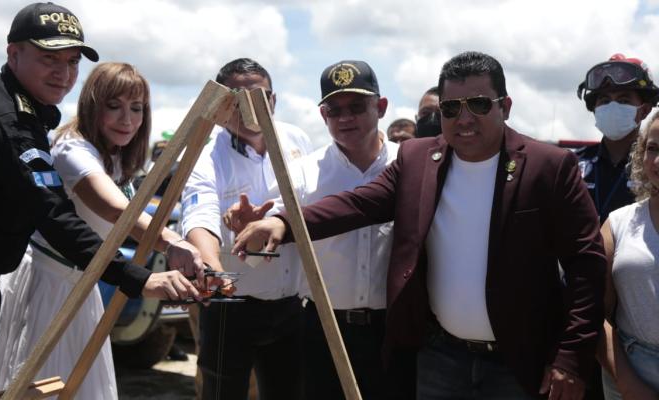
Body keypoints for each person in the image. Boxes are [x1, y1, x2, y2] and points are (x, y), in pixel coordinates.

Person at [234, 51, 605, 400]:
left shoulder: (549, 167)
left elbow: (586, 266)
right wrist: (284, 222)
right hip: (440, 359)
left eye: (478, 104)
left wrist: (571, 357)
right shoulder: (419, 159)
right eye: (451, 108)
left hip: (519, 363)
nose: (464, 119)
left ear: (504, 107)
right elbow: (359, 203)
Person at [0, 3, 201, 399]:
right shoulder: (8, 121)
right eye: (49, 58)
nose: (63, 73)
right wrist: (139, 278)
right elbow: (53, 213)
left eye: (72, 61)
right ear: (13, 54)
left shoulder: (19, 106)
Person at [0, 62, 204, 399]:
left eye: (136, 108)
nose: (127, 119)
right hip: (46, 284)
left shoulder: (117, 155)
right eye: (114, 106)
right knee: (38, 387)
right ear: (92, 106)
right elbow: (116, 209)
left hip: (82, 286)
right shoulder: (72, 148)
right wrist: (171, 241)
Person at [224, 60, 410, 399]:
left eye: (357, 107)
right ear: (323, 115)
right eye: (334, 110)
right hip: (323, 331)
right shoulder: (301, 173)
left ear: (381, 107)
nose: (345, 118)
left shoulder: (410, 166)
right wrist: (250, 230)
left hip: (395, 333)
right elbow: (262, 247)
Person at [181, 57, 312, 399]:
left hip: (291, 303)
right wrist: (214, 271)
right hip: (231, 303)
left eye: (260, 97)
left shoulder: (296, 139)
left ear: (274, 100)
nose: (251, 109)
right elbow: (199, 215)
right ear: (222, 107)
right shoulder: (205, 155)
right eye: (238, 100)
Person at [598, 113, 659, 400]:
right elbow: (595, 313)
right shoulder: (617, 223)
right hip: (629, 371)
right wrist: (628, 384)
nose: (658, 161)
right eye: (653, 148)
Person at [576, 54, 657, 222]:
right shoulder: (572, 164)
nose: (612, 106)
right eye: (605, 100)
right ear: (595, 109)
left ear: (645, 110)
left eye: (623, 100)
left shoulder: (653, 165)